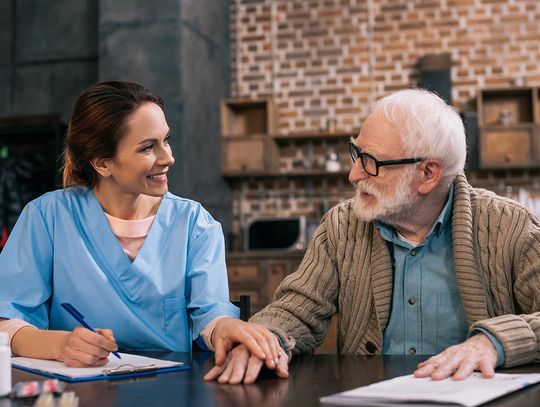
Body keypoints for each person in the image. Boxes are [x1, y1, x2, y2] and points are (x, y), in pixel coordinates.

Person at [204, 88, 540, 384]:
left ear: (427, 174)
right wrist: (264, 341)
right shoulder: (341, 227)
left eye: (371, 162)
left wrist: (493, 342)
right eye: (356, 154)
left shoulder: (510, 227)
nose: (353, 174)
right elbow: (296, 310)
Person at [0, 80, 240, 367]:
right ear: (102, 163)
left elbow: (212, 316)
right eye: (148, 147)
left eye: (166, 140)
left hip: (168, 390)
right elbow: (8, 323)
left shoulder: (195, 224)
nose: (168, 157)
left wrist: (227, 328)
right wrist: (62, 345)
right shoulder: (46, 217)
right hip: (78, 388)